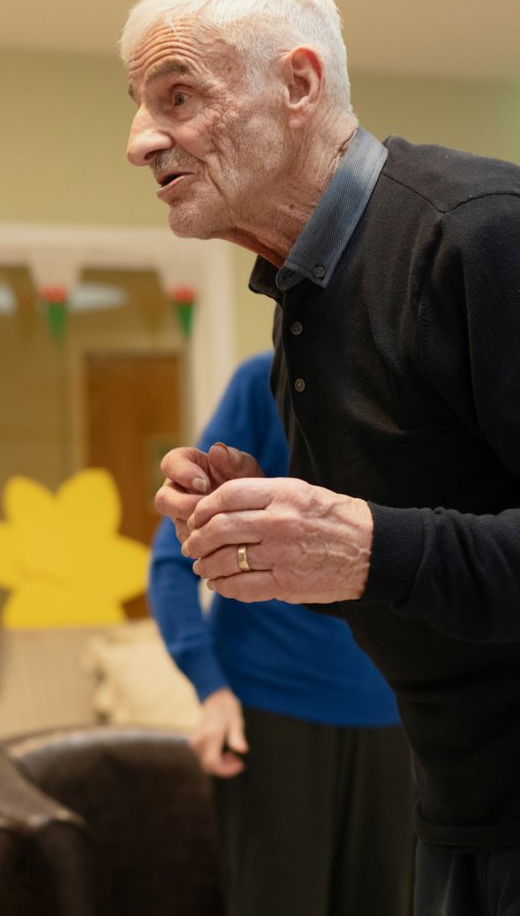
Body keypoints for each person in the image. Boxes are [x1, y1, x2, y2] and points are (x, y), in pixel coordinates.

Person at [128, 0, 520, 915]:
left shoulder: (477, 232)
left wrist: (366, 542)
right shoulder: (306, 291)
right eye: (140, 103)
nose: (141, 139)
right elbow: (403, 574)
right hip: (463, 803)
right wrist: (276, 534)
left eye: (177, 96)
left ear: (299, 85)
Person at [149, 351, 412, 915]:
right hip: (270, 716)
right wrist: (211, 689)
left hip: (400, 718)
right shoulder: (262, 382)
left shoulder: (419, 384)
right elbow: (171, 560)